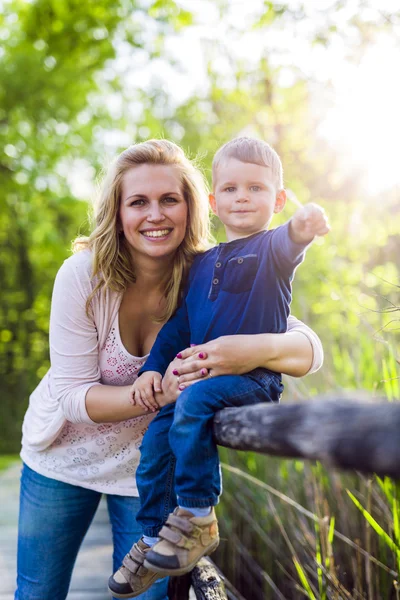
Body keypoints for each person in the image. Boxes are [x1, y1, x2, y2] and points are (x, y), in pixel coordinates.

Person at [16, 139, 323, 600]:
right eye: (138, 202)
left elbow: (307, 348)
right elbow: (72, 398)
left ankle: (183, 524)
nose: (154, 214)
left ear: (193, 206)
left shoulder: (210, 270)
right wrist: (160, 392)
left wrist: (246, 351)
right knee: (37, 593)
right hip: (61, 457)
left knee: (149, 591)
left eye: (169, 200)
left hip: (145, 467)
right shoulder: (84, 275)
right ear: (118, 212)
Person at [108, 137, 330, 598]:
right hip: (198, 385)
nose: (242, 197)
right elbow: (177, 328)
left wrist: (303, 227)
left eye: (256, 188)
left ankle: (197, 516)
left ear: (278, 199)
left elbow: (291, 242)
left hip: (251, 382)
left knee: (193, 401)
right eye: (230, 189)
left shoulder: (271, 250)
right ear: (213, 202)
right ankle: (152, 538)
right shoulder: (200, 263)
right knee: (154, 443)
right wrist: (152, 368)